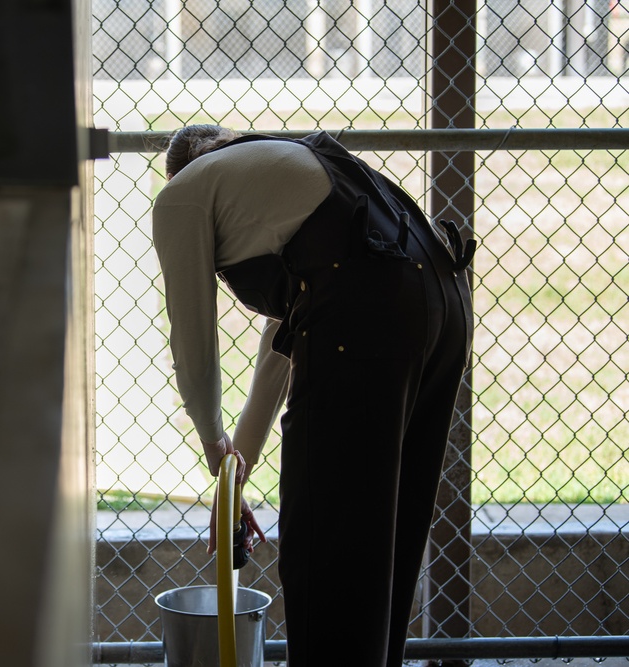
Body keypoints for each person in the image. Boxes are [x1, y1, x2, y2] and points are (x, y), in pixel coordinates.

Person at [151, 124, 475, 667]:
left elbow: (192, 343)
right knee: (383, 538)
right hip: (441, 302)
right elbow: (291, 333)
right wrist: (236, 469)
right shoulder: (288, 163)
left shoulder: (183, 194)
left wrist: (213, 450)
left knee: (326, 542)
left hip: (367, 310)